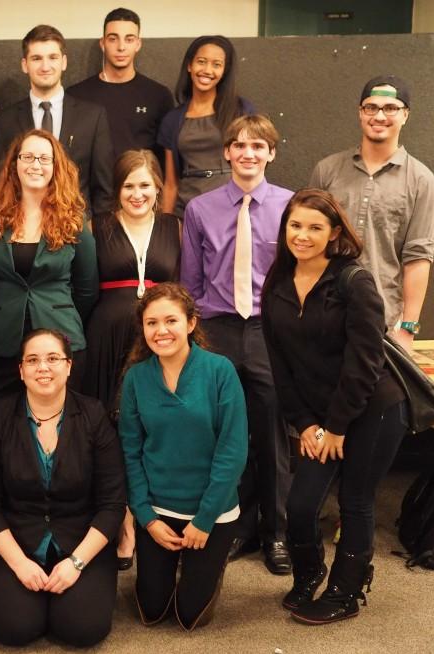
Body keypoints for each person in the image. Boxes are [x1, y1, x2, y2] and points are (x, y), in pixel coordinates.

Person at [260, 189, 407, 625]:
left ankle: (345, 592)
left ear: (335, 233)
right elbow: (280, 366)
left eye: (314, 227)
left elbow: (365, 364)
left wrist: (337, 427)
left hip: (372, 409)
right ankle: (309, 576)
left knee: (355, 501)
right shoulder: (277, 282)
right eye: (295, 225)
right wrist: (305, 424)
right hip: (319, 417)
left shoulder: (353, 281)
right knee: (302, 505)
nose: (302, 235)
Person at [180, 115, 294, 574]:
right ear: (226, 152)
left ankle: (277, 533)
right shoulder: (200, 209)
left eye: (258, 146)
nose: (248, 153)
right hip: (218, 327)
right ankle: (234, 527)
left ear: (271, 153)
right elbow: (190, 280)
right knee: (223, 434)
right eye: (239, 145)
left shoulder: (291, 206)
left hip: (269, 331)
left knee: (271, 436)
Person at [0, 329, 126, 647]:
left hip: (80, 541)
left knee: (82, 630)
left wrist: (77, 563)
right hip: (17, 539)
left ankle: (65, 596)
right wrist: (18, 563)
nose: (43, 367)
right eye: (33, 360)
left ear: (69, 366)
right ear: (21, 370)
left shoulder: (93, 416)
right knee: (13, 629)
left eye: (53, 358)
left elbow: (112, 504)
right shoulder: (0, 416)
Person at [119, 283, 248, 630]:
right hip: (158, 510)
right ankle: (163, 567)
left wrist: (205, 519)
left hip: (211, 512)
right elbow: (130, 452)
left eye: (171, 321)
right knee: (152, 611)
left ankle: (207, 567)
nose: (161, 331)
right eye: (151, 323)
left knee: (190, 616)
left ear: (190, 323)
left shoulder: (220, 371)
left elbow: (232, 452)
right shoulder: (135, 379)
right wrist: (145, 518)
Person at [83, 149, 180, 570]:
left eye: (145, 185)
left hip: (156, 340)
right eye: (128, 186)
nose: (137, 193)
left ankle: (146, 517)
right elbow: (84, 290)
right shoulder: (96, 227)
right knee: (107, 429)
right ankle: (118, 525)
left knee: (146, 428)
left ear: (157, 187)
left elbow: (183, 288)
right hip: (105, 338)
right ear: (116, 190)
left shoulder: (175, 227)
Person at [309, 75, 434, 352]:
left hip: (383, 323)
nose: (379, 116)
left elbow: (418, 257)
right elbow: (307, 244)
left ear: (405, 115)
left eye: (390, 108)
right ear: (360, 112)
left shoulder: (421, 181)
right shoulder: (327, 170)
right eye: (371, 107)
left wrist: (408, 329)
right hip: (323, 313)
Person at [0, 129, 98, 410]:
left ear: (56, 167)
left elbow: (87, 290)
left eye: (44, 158)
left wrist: (58, 311)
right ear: (14, 164)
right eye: (27, 157)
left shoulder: (74, 221)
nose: (35, 165)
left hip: (61, 343)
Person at [0, 24, 114, 217]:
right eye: (36, 58)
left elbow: (104, 189)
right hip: (21, 232)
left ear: (63, 62)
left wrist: (95, 232)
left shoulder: (93, 117)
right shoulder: (4, 121)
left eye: (52, 57)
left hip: (77, 230)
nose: (45, 66)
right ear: (24, 64)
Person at [158, 35, 254, 216]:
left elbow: (256, 166)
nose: (207, 70)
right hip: (187, 211)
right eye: (201, 62)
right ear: (189, 65)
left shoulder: (241, 110)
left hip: (233, 208)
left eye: (216, 64)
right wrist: (165, 226)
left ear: (224, 70)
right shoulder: (172, 120)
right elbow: (171, 184)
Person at [68, 8, 173, 164]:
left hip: (142, 185)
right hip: (92, 187)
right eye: (113, 39)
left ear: (138, 44)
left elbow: (166, 158)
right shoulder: (76, 96)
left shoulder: (159, 96)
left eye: (129, 39)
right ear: (103, 43)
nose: (121, 47)